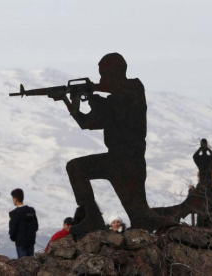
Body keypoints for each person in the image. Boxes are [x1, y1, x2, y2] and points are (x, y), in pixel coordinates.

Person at [63, 53, 174, 236]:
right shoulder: (119, 96)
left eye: (103, 75)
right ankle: (92, 217)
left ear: (114, 73)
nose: (101, 80)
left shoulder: (133, 91)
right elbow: (87, 123)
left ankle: (93, 218)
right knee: (141, 218)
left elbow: (109, 109)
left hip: (127, 162)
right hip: (119, 161)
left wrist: (91, 96)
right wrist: (71, 103)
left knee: (142, 218)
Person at [9, 188, 38, 258]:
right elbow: (36, 226)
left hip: (20, 243)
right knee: (32, 263)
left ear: (15, 199)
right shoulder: (31, 211)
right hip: (31, 242)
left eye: (13, 198)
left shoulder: (15, 213)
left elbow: (12, 229)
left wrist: (14, 238)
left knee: (23, 265)